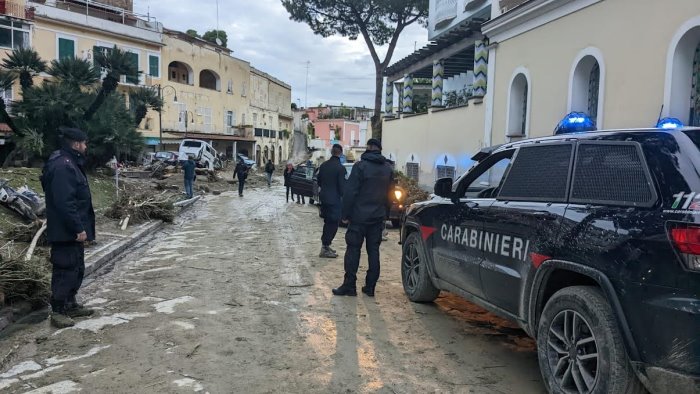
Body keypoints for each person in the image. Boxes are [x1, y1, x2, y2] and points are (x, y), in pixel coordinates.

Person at [41, 127, 96, 328]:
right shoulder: (63, 166)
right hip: (66, 231)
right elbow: (65, 202)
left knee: (76, 267)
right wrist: (78, 228)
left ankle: (70, 304)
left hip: (71, 230)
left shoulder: (70, 162)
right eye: (84, 143)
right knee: (65, 269)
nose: (86, 146)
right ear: (76, 144)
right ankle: (57, 311)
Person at [333, 139, 394, 297]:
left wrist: (345, 215)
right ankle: (370, 287)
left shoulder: (360, 166)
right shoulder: (388, 168)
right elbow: (390, 195)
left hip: (359, 218)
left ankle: (349, 286)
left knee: (353, 250)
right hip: (377, 218)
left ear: (368, 149)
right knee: (374, 251)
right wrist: (385, 215)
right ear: (380, 149)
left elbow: (350, 193)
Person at [317, 144, 346, 258]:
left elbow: (318, 181)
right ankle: (325, 247)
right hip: (334, 200)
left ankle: (325, 246)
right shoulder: (340, 168)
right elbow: (342, 188)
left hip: (324, 199)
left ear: (331, 152)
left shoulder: (323, 166)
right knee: (333, 224)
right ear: (341, 153)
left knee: (327, 223)